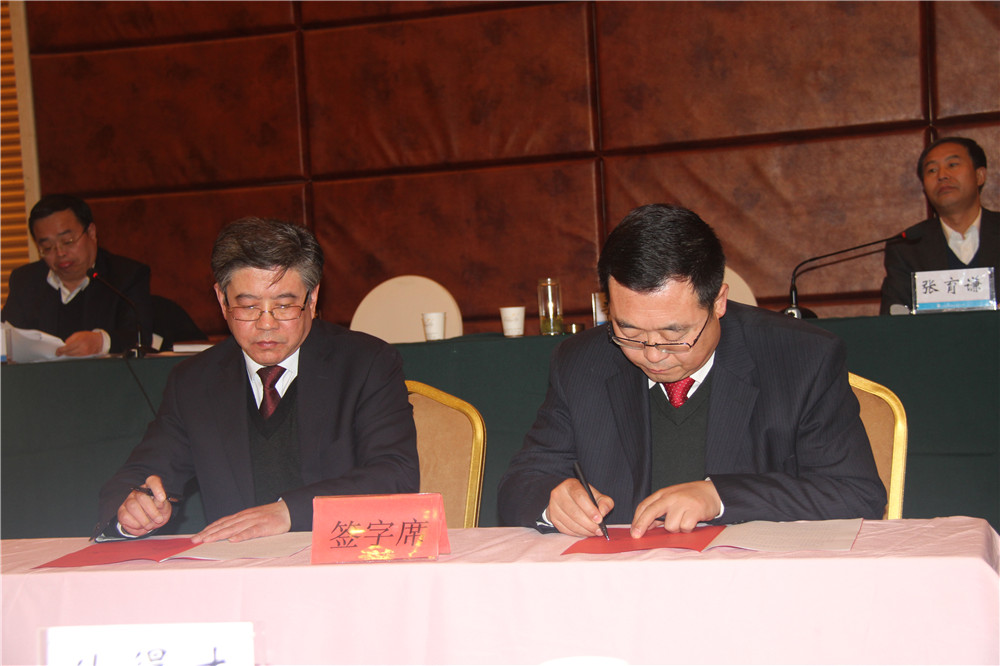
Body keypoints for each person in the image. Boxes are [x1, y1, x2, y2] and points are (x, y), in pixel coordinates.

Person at [498, 204, 886, 538]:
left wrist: (719, 497)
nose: (653, 354)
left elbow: (854, 493)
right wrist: (553, 501)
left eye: (674, 334)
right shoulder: (582, 362)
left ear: (718, 301)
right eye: (629, 332)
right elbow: (520, 484)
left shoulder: (801, 359)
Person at [97, 217, 419, 542]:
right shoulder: (195, 381)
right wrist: (133, 510)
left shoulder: (366, 364)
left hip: (335, 557)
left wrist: (289, 512)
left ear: (312, 298)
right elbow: (137, 477)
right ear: (222, 300)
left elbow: (395, 474)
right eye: (249, 306)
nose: (266, 324)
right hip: (235, 565)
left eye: (284, 305)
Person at [1, 194, 153, 355]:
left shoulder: (126, 275)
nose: (60, 253)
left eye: (68, 241)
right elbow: (6, 339)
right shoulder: (25, 281)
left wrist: (101, 342)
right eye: (47, 247)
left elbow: (140, 337)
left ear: (91, 232)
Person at [880, 136, 999, 314]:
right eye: (932, 170)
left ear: (979, 175)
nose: (942, 175)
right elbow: (893, 319)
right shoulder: (907, 247)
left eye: (952, 165)